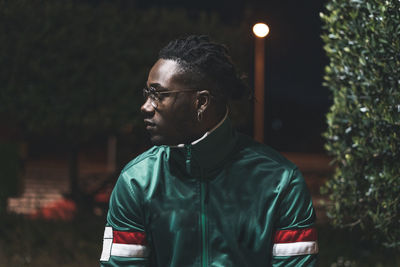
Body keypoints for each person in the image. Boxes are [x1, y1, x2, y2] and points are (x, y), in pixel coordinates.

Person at [100, 35, 318, 267]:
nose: (145, 107)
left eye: (158, 94)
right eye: (147, 94)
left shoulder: (281, 182)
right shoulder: (137, 181)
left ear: (201, 102)